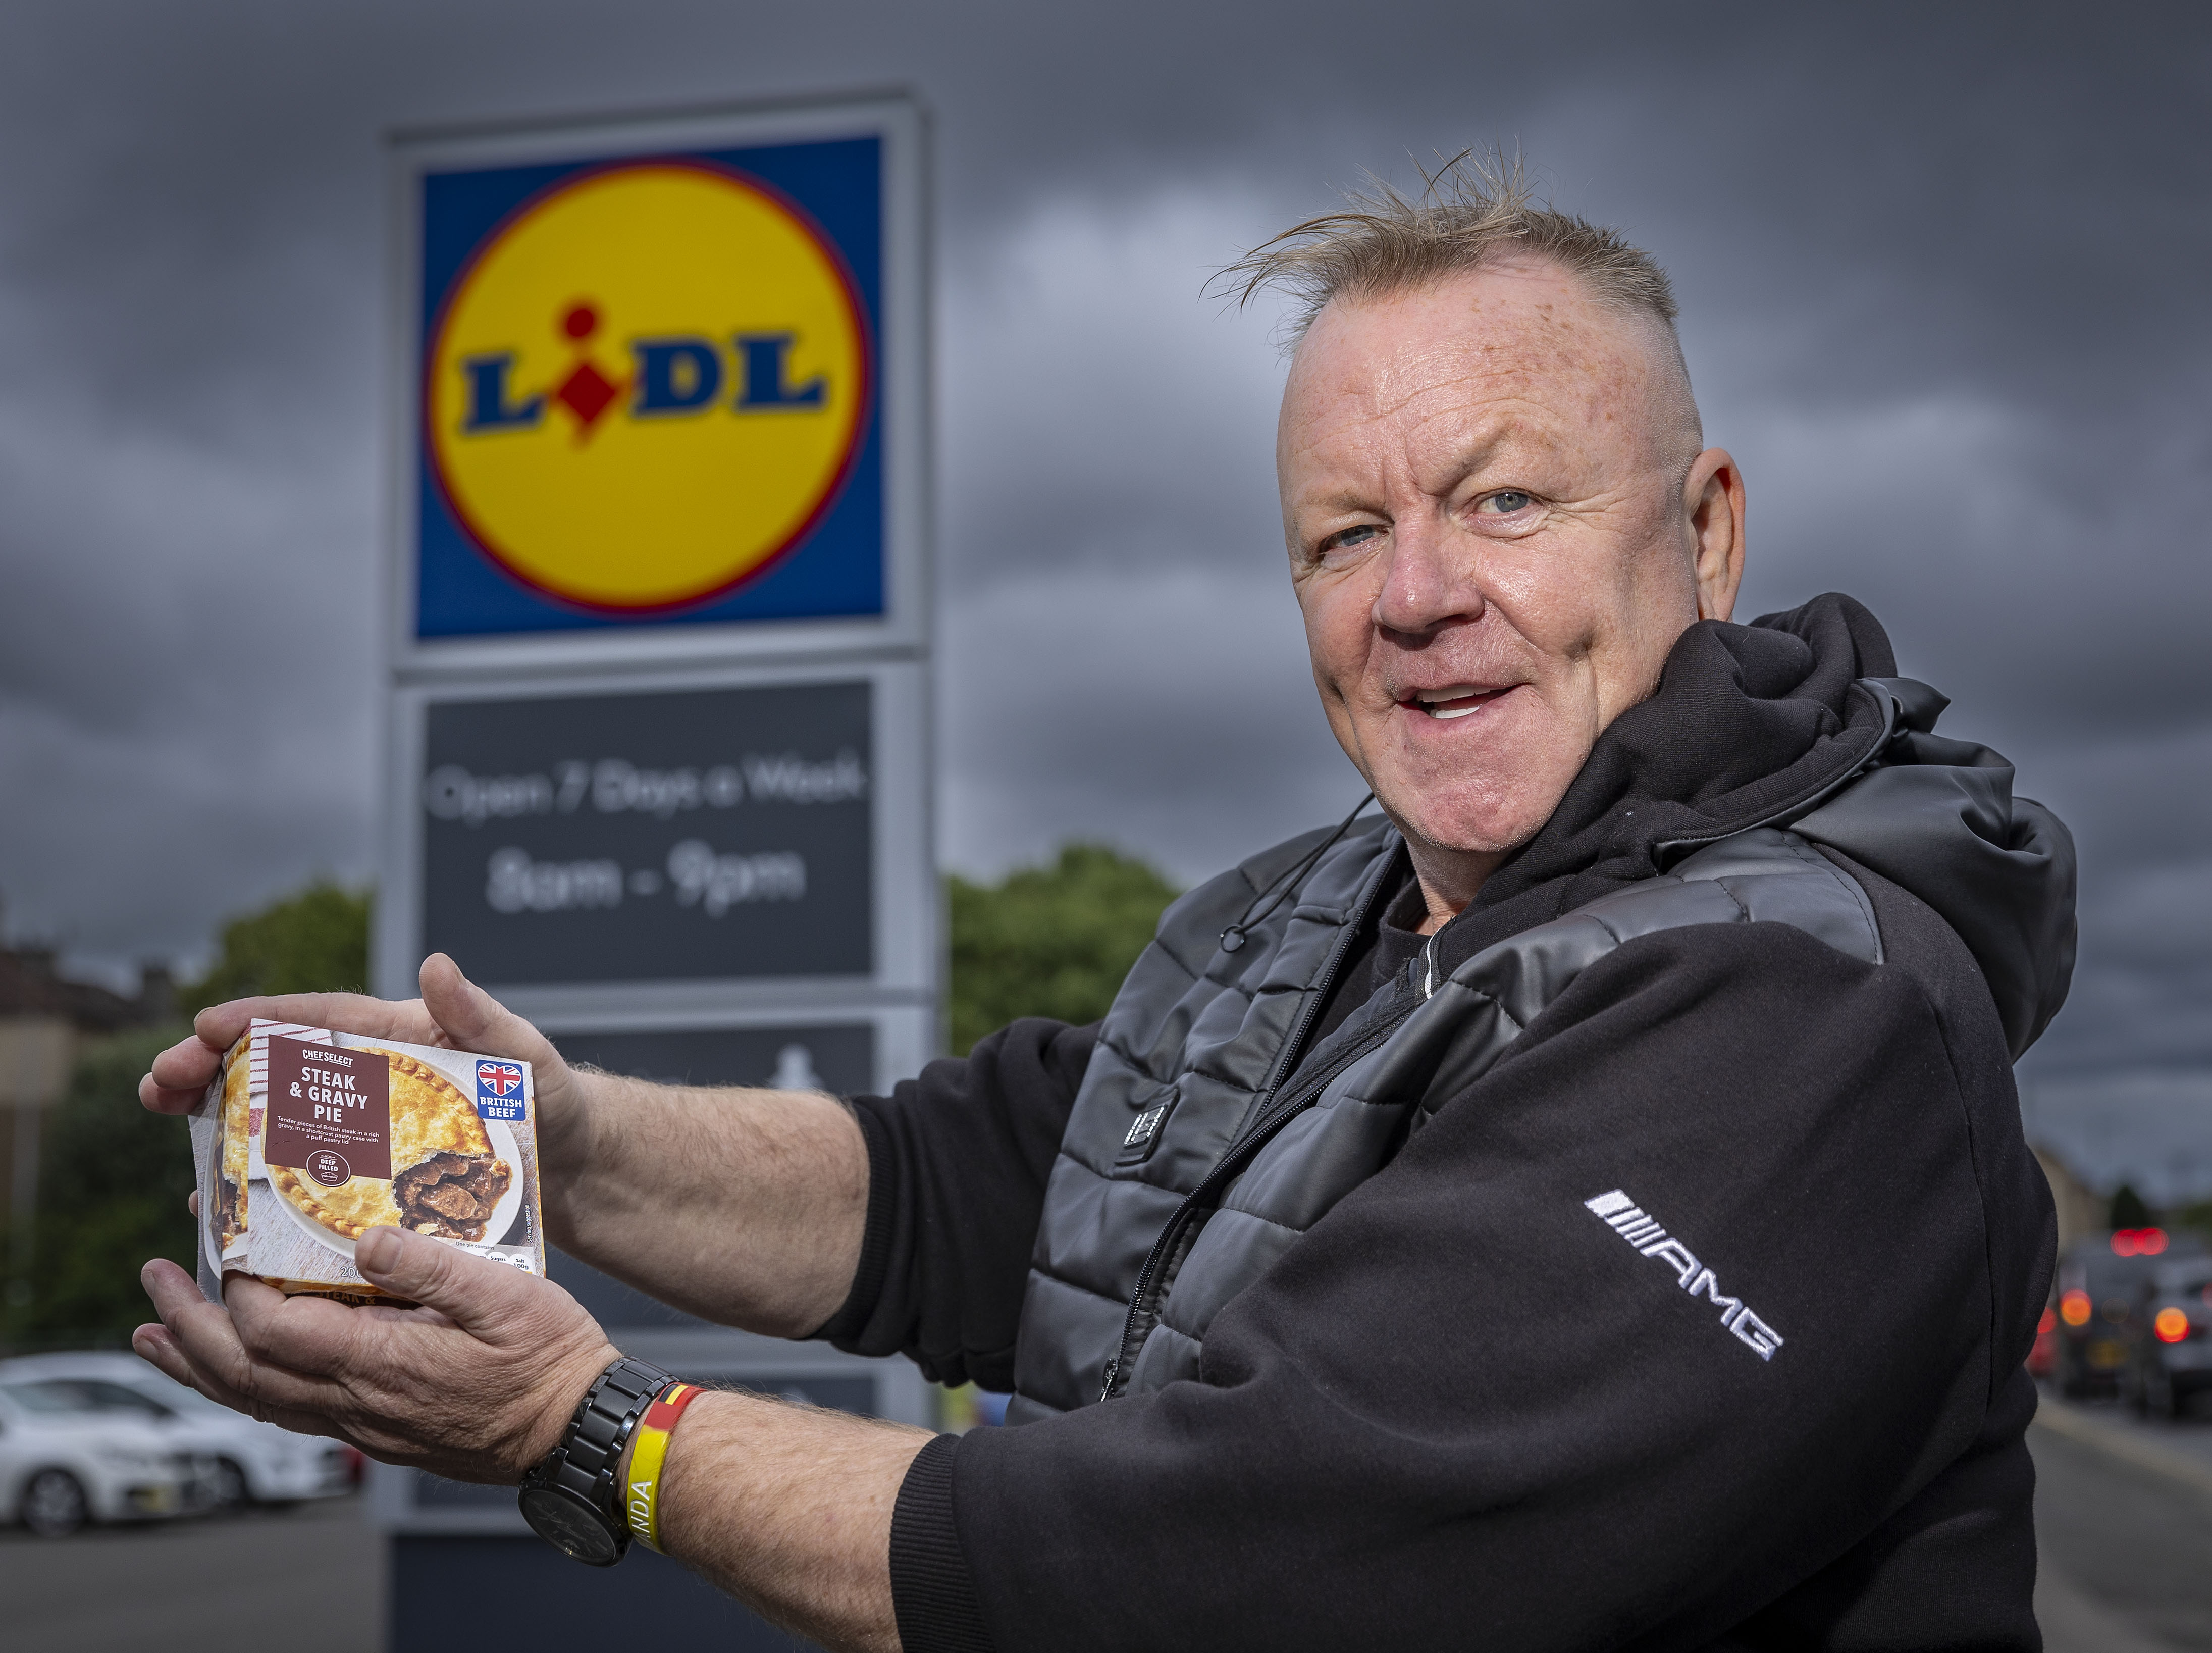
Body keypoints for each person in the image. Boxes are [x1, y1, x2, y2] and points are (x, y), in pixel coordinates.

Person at [136, 162, 2075, 1652]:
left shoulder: (1810, 1004)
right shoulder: (1298, 914)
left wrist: (598, 1428)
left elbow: (1255, 1553)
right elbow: (965, 1191)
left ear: (1707, 527)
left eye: (1503, 503)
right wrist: (552, 1141)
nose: (1413, 596)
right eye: (1343, 534)